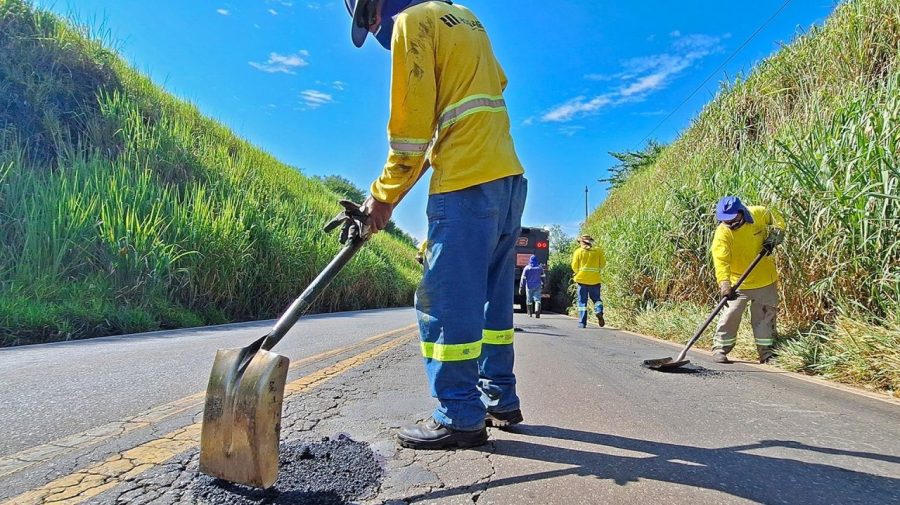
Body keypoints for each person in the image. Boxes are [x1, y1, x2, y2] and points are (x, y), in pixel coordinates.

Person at [344, 0, 527, 450]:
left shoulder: (412, 23)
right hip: (508, 180)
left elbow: (409, 134)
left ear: (377, 7)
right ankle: (499, 397)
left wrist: (382, 196)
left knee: (446, 301)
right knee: (492, 302)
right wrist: (384, 200)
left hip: (464, 182)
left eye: (367, 20)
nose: (374, 32)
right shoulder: (463, 15)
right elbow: (479, 97)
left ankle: (460, 415)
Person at [710, 196, 785, 364]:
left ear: (741, 212)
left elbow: (778, 220)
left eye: (732, 220)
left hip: (765, 279)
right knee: (730, 314)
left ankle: (767, 353)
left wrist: (776, 236)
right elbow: (721, 261)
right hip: (739, 283)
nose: (729, 224)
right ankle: (720, 348)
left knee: (765, 318)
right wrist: (724, 285)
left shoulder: (758, 213)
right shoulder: (723, 233)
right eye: (724, 221)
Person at [571, 235, 606, 328]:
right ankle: (599, 311)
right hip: (595, 280)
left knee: (582, 302)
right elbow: (603, 264)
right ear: (591, 241)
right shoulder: (598, 251)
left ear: (581, 242)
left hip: (582, 280)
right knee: (597, 299)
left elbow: (574, 266)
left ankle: (582, 323)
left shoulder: (578, 252)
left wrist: (579, 272)